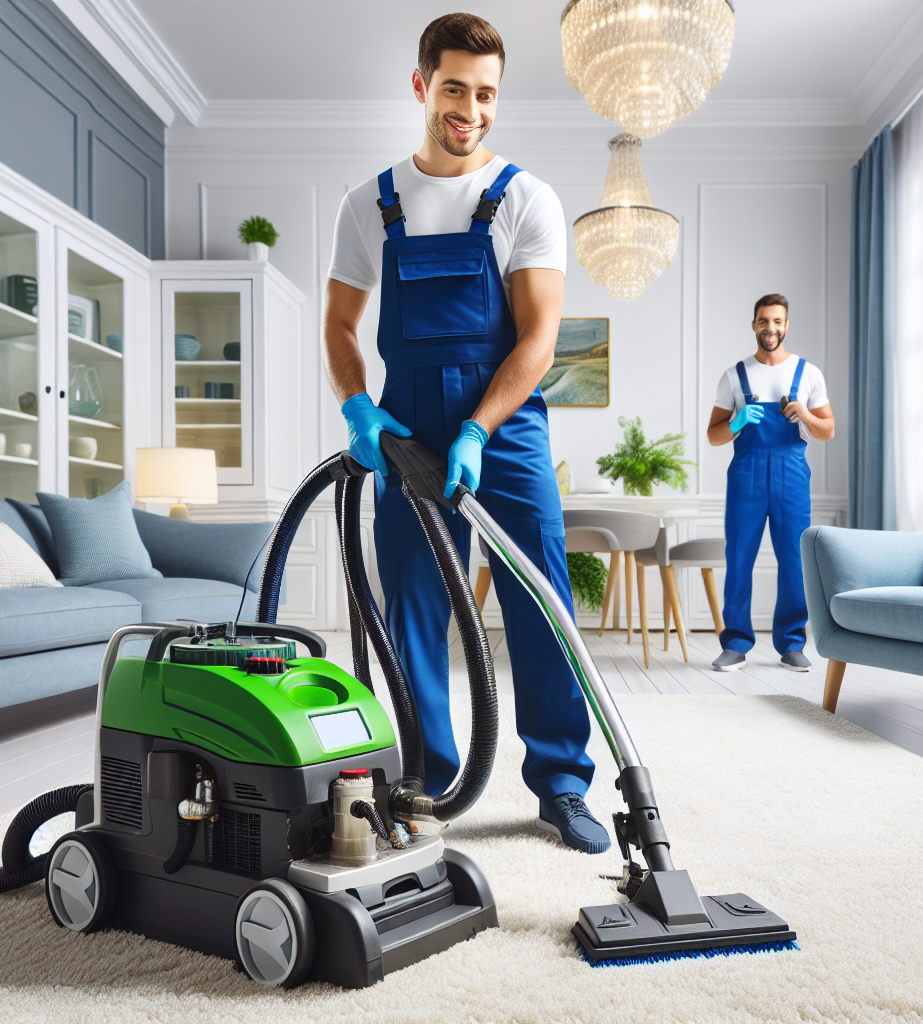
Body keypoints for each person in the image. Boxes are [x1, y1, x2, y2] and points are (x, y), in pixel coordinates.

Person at [324, 14, 608, 853]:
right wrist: (358, 408)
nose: (472, 110)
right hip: (406, 419)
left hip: (506, 424)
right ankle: (421, 782)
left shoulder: (527, 197)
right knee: (412, 603)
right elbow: (342, 327)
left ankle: (560, 783)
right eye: (455, 89)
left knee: (539, 597)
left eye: (486, 94)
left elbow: (539, 340)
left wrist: (480, 428)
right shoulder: (369, 203)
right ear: (421, 86)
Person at [706, 294, 835, 673]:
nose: (771, 329)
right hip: (746, 474)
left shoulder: (808, 373)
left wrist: (807, 416)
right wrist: (737, 420)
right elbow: (713, 436)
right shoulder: (734, 375)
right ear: (754, 325)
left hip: (791, 473)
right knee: (739, 557)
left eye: (777, 322)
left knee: (794, 560)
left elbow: (827, 431)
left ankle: (792, 643)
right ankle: (735, 643)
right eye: (764, 321)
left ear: (786, 325)